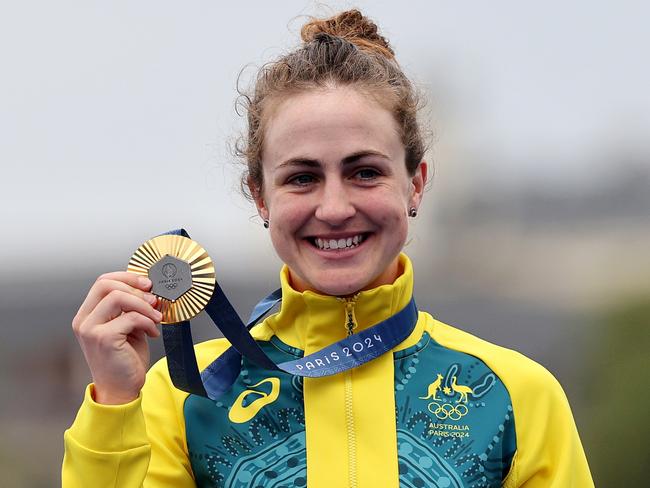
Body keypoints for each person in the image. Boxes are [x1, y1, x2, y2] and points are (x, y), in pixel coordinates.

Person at [62, 9, 594, 488]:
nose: (335, 207)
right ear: (260, 195)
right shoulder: (184, 393)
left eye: (364, 172)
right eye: (301, 178)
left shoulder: (514, 395)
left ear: (416, 184)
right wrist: (114, 405)